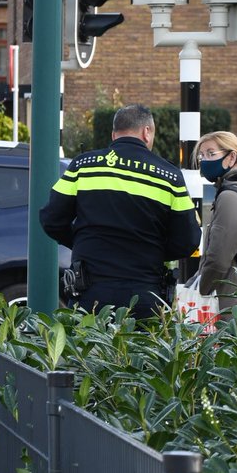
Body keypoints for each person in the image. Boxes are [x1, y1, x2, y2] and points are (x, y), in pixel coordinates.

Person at [39, 104, 202, 318]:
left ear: (114, 134)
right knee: (141, 350)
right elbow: (188, 240)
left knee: (87, 350)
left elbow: (51, 219)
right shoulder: (169, 177)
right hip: (144, 293)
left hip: (90, 292)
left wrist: (82, 240)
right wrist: (153, 250)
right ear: (146, 132)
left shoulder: (84, 165)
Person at [194, 130, 237, 315]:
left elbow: (218, 258)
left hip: (233, 301)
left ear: (232, 157)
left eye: (211, 153)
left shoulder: (230, 197)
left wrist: (201, 288)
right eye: (201, 155)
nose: (204, 160)